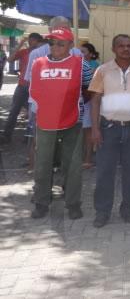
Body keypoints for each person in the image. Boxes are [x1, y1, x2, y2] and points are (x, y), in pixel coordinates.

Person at [89, 34, 130, 228]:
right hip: (108, 128)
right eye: (121, 46)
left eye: (129, 46)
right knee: (104, 173)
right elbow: (95, 100)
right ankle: (102, 212)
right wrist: (94, 129)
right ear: (113, 48)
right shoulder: (102, 70)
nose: (126, 49)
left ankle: (128, 210)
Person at [29, 28, 89, 219]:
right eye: (52, 42)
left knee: (72, 167)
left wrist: (79, 103)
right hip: (45, 123)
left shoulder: (81, 64)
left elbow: (91, 88)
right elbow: (34, 91)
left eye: (60, 43)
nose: (55, 47)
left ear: (71, 46)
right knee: (43, 165)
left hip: (73, 122)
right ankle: (41, 203)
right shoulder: (38, 63)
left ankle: (73, 204)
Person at [0, 33, 44, 145]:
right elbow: (9, 60)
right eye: (29, 40)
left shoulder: (43, 53)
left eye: (33, 40)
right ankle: (6, 135)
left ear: (38, 41)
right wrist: (20, 44)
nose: (30, 42)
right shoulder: (24, 52)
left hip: (35, 88)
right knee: (14, 110)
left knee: (34, 113)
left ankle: (29, 136)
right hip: (22, 86)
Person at [80, 43, 100, 169]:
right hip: (79, 101)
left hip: (88, 101)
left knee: (87, 130)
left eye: (84, 52)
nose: (81, 54)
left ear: (91, 54)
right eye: (79, 51)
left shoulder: (95, 66)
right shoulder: (77, 63)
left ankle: (88, 158)